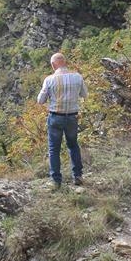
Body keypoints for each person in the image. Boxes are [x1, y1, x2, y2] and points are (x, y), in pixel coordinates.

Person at [37, 52, 88, 189]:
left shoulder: (49, 80)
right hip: (72, 116)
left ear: (53, 65)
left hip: (55, 117)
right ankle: (77, 176)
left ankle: (56, 180)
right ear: (65, 62)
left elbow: (40, 101)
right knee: (73, 145)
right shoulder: (77, 77)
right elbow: (84, 94)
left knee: (54, 149)